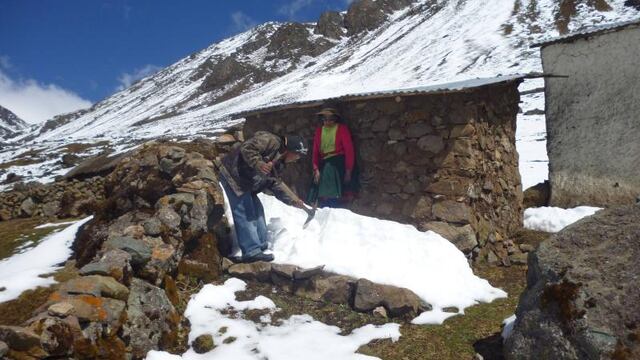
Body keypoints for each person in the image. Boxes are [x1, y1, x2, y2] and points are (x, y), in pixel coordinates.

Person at [216, 131, 307, 263]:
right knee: (245, 211)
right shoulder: (270, 141)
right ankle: (251, 251)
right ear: (290, 150)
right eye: (297, 155)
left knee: (257, 210)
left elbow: (274, 182)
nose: (296, 159)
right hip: (233, 174)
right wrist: (259, 164)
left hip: (249, 182)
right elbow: (247, 147)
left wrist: (293, 200)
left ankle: (261, 245)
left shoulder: (280, 162)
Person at [308, 107, 357, 208]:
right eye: (325, 119)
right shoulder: (319, 131)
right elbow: (315, 152)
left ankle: (332, 206)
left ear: (335, 119)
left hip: (337, 161)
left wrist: (348, 170)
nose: (327, 122)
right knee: (316, 182)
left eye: (330, 119)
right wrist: (316, 168)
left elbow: (349, 150)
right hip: (324, 162)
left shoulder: (341, 129)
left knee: (328, 174)